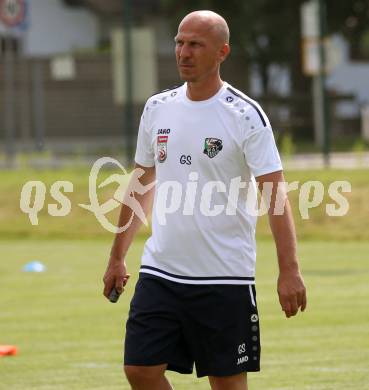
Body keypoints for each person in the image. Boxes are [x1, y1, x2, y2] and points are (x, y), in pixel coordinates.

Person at [103, 10, 307, 390]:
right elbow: (141, 184)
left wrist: (289, 270)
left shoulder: (245, 115)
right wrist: (117, 256)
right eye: (180, 42)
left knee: (226, 384)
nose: (184, 52)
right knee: (140, 370)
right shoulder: (157, 108)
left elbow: (276, 196)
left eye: (195, 44)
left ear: (221, 52)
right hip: (161, 272)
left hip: (224, 278)